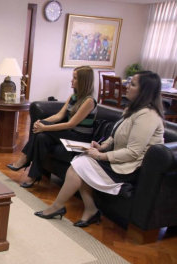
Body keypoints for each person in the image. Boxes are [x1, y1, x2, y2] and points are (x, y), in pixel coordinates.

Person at [34, 71, 164, 227]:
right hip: (121, 160)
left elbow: (133, 153)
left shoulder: (147, 116)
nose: (127, 86)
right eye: (129, 82)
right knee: (80, 164)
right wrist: (102, 146)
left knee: (79, 165)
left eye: (133, 84)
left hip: (130, 168)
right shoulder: (133, 109)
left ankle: (58, 207)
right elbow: (115, 135)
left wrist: (100, 156)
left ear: (145, 91)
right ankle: (89, 210)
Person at [7, 66, 97, 188]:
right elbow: (59, 115)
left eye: (75, 78)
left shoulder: (89, 101)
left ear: (84, 81)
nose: (72, 80)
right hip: (70, 132)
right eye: (73, 77)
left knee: (42, 131)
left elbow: (71, 124)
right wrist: (41, 122)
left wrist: (44, 127)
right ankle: (34, 175)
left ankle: (25, 158)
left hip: (80, 137)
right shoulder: (73, 97)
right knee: (41, 137)